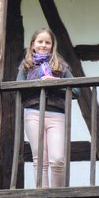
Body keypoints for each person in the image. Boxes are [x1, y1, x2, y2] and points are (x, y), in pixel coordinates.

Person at [17, 28, 78, 189]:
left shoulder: (61, 66)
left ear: (52, 45)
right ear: (33, 44)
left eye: (47, 42)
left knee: (57, 159)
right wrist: (37, 84)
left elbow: (76, 91)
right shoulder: (26, 66)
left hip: (57, 115)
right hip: (33, 114)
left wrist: (55, 83)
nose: (43, 45)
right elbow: (18, 90)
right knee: (40, 161)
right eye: (40, 41)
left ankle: (56, 197)